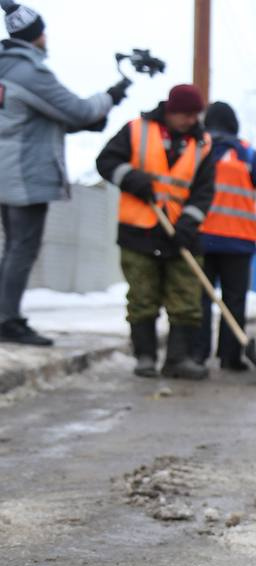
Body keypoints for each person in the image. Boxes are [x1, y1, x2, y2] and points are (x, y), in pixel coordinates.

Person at [0, 0, 128, 346]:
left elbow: (33, 120)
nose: (46, 38)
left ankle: (5, 314)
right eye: (42, 32)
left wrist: (78, 124)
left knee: (13, 247)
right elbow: (78, 109)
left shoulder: (5, 69)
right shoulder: (28, 71)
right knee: (21, 248)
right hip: (26, 174)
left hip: (8, 170)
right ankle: (7, 319)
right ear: (34, 35)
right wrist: (113, 95)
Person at [96, 83, 214, 380]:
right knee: (142, 297)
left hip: (180, 233)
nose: (191, 121)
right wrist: (132, 179)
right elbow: (106, 161)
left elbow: (204, 191)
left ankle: (177, 359)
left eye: (195, 115)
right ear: (170, 111)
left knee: (186, 298)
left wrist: (188, 222)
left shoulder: (202, 144)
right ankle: (145, 356)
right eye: (185, 115)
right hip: (140, 229)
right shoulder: (137, 130)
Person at [195, 102, 256, 371]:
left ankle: (197, 355)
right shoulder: (246, 153)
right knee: (234, 300)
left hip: (201, 238)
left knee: (200, 299)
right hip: (238, 241)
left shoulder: (199, 150)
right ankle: (230, 356)